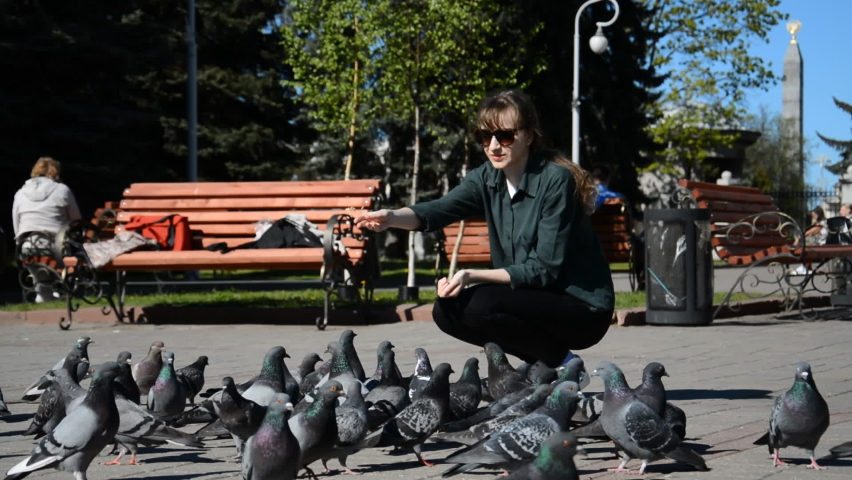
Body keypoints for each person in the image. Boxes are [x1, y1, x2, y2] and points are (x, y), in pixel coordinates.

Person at [354, 89, 614, 368]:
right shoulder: (487, 177)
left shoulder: (555, 180)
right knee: (446, 311)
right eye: (484, 136)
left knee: (480, 303)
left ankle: (562, 365)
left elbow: (543, 269)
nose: (493, 146)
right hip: (535, 297)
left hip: (582, 308)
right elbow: (441, 209)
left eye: (504, 136)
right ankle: (549, 363)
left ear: (527, 136)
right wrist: (391, 217)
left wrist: (472, 275)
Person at [12, 157, 81, 302]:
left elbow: (16, 224)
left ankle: (44, 295)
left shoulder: (20, 193)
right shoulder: (62, 190)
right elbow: (76, 220)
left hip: (27, 247)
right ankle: (53, 293)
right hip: (56, 246)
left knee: (41, 276)